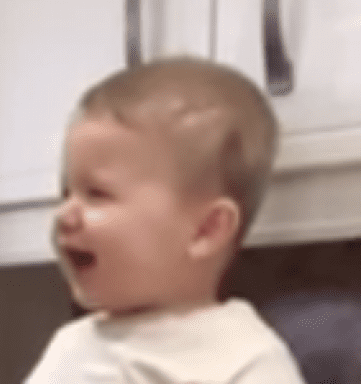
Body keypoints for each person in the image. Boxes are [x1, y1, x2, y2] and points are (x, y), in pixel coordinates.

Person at [24, 58, 306, 383]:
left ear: (206, 230)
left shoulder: (244, 357)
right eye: (66, 193)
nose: (65, 214)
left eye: (97, 194)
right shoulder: (71, 344)